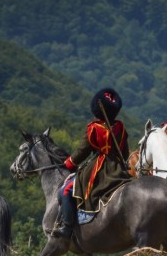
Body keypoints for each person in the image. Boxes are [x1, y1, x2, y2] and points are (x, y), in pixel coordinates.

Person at [53, 88, 131, 238]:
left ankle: (67, 228)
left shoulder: (94, 128)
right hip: (119, 169)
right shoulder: (120, 127)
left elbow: (82, 152)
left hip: (100, 168)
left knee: (66, 190)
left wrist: (68, 163)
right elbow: (125, 153)